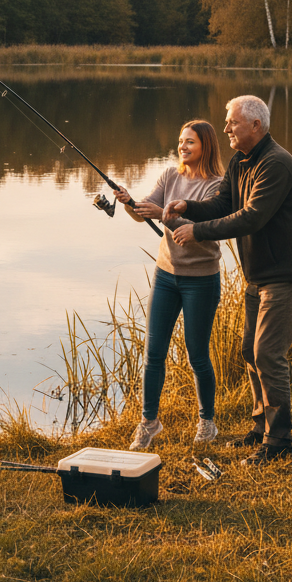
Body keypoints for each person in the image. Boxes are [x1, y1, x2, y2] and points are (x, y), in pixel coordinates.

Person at [163, 95, 292, 466]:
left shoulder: (276, 164)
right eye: (228, 123)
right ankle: (260, 429)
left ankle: (279, 441)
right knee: (250, 351)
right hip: (259, 274)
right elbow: (224, 202)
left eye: (232, 122)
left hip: (284, 274)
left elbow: (250, 218)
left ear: (255, 126)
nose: (226, 128)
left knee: (268, 354)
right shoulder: (241, 161)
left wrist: (197, 231)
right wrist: (190, 208)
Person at [113, 119, 225, 451]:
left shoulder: (216, 187)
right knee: (153, 354)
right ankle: (149, 423)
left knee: (197, 356)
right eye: (181, 141)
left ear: (206, 146)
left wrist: (162, 212)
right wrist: (130, 203)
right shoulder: (169, 175)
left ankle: (207, 422)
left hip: (201, 280)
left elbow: (197, 227)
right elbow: (146, 213)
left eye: (190, 142)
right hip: (166, 275)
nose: (183, 146)